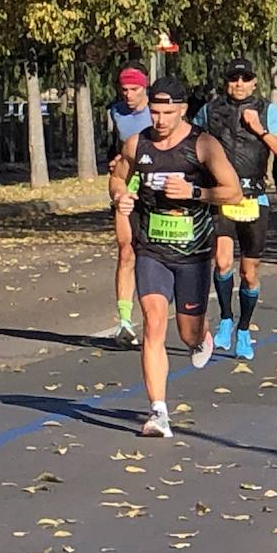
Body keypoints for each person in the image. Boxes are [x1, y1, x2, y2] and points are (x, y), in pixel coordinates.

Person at [111, 76, 242, 437]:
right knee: (153, 322)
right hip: (151, 247)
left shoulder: (203, 145)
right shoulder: (137, 143)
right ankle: (158, 412)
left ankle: (202, 336)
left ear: (183, 109)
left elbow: (232, 192)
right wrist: (120, 197)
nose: (160, 120)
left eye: (168, 112)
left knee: (187, 334)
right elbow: (118, 178)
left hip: (194, 251)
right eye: (154, 111)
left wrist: (194, 191)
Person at [191, 58, 277, 361]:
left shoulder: (267, 110)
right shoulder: (210, 110)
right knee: (221, 262)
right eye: (233, 78)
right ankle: (225, 319)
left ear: (254, 82)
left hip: (254, 197)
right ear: (226, 82)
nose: (239, 83)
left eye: (244, 78)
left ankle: (244, 330)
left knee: (248, 273)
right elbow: (191, 143)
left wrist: (259, 129)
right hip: (222, 196)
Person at [105, 63, 153, 348]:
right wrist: (114, 161)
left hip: (156, 188)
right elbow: (116, 148)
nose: (128, 95)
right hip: (127, 187)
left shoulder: (157, 112)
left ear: (144, 88)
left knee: (151, 256)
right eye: (124, 90)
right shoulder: (115, 112)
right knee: (126, 251)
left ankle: (154, 313)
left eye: (134, 89)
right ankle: (124, 321)